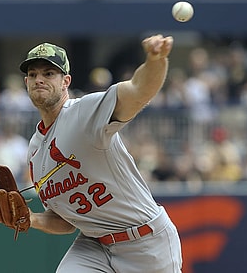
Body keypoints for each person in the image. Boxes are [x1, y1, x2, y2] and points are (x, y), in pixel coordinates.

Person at [18, 35, 182, 272]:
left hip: (145, 243)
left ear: (66, 81)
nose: (39, 79)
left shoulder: (85, 113)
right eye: (32, 74)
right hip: (93, 245)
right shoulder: (35, 150)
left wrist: (156, 60)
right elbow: (64, 221)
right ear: (26, 82)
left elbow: (138, 91)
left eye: (48, 73)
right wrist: (30, 219)